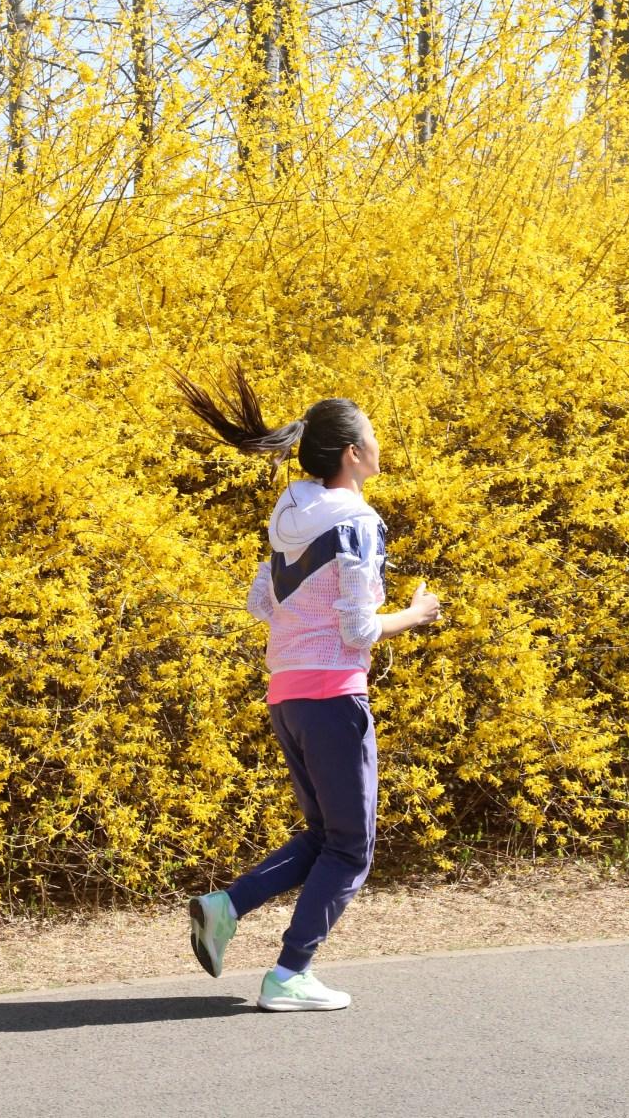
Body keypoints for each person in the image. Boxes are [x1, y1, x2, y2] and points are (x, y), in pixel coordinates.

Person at [175, 366, 441, 1012]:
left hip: (288, 696)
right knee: (351, 847)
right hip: (333, 697)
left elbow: (262, 602)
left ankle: (225, 907)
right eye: (373, 436)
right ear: (353, 454)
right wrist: (415, 614)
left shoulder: (289, 515)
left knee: (326, 834)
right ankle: (290, 974)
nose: (380, 445)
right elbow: (355, 629)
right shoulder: (357, 522)